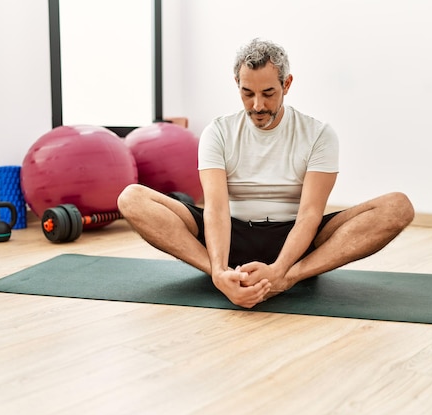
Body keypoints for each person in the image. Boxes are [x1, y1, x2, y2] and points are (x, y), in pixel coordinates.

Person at [118, 38, 414, 309]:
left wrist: (281, 271)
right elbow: (217, 209)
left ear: (287, 84)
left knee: (397, 207)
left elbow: (310, 214)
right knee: (132, 198)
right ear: (237, 83)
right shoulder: (218, 132)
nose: (258, 105)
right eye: (247, 93)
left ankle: (290, 278)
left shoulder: (318, 134)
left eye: (268, 93)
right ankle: (220, 275)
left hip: (295, 239)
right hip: (229, 234)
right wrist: (219, 270)